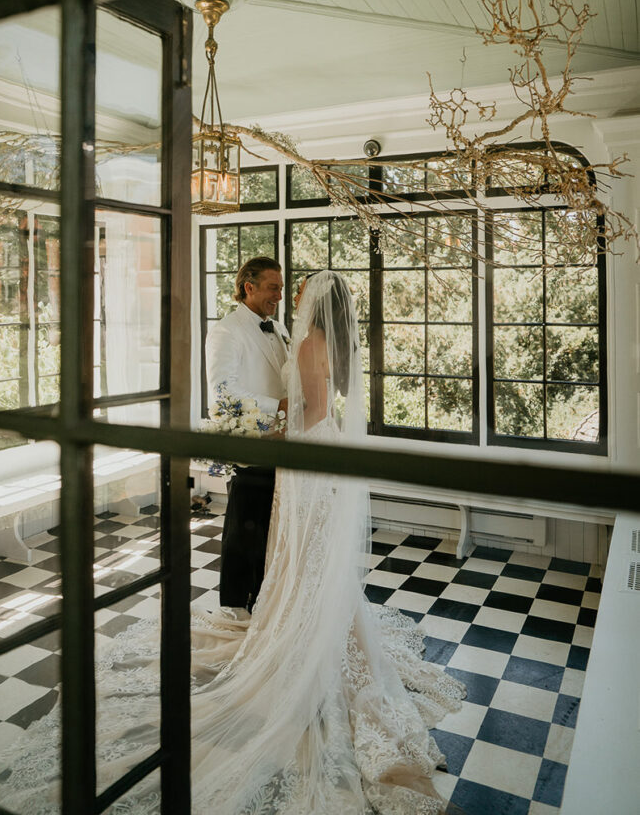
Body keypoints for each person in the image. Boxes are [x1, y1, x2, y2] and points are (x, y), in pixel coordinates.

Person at [191, 270, 465, 815]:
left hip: (305, 452)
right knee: (302, 552)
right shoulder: (292, 336)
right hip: (308, 448)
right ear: (247, 287)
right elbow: (263, 394)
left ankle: (306, 637)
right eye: (275, 287)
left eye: (294, 289)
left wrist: (279, 432)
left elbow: (311, 408)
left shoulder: (309, 339)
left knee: (303, 550)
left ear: (315, 300)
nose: (287, 295)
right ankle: (304, 619)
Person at [205, 256, 289, 611]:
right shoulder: (227, 331)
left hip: (282, 445)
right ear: (248, 287)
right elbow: (223, 391)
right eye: (273, 288)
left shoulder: (279, 328)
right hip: (253, 443)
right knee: (243, 532)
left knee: (269, 532)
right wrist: (278, 408)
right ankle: (234, 608)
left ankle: (263, 603)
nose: (279, 296)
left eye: (282, 289)